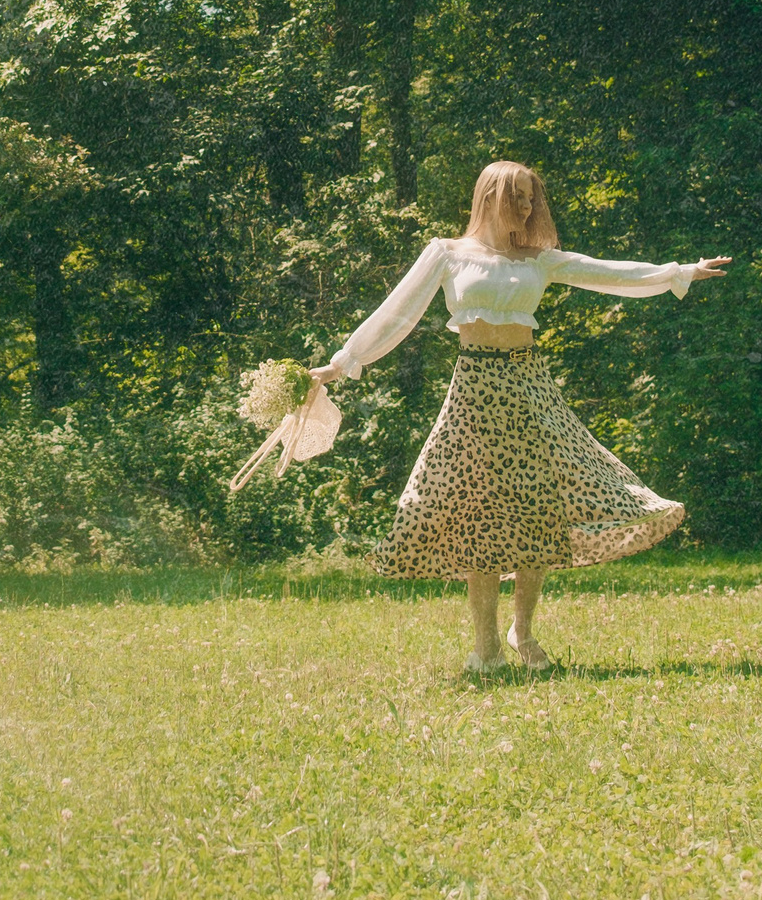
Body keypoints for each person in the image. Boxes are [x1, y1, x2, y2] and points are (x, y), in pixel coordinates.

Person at [311, 160, 728, 672]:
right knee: (480, 516)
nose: (529, 207)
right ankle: (485, 647)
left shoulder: (538, 260)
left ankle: (522, 634)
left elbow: (608, 272)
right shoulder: (447, 253)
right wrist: (340, 365)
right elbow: (397, 311)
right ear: (491, 196)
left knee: (537, 509)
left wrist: (680, 273)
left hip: (529, 386)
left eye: (533, 198)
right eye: (519, 196)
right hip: (475, 391)